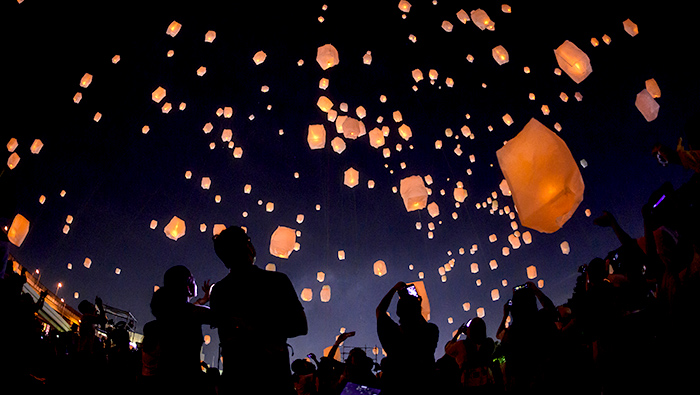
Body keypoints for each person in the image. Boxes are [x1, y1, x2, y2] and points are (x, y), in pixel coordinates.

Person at [209, 226, 308, 395]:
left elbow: (226, 336)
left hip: (237, 382)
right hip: (274, 381)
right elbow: (300, 326)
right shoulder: (277, 282)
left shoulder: (220, 291)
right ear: (248, 247)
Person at [147, 265, 214, 394]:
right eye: (193, 280)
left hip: (165, 378)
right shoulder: (192, 313)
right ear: (187, 283)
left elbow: (186, 312)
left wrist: (203, 300)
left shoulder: (169, 312)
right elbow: (218, 315)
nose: (195, 283)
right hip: (187, 382)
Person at [376, 281, 439, 395]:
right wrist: (413, 303)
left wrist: (395, 289)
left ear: (398, 312)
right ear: (418, 311)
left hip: (395, 387)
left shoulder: (392, 334)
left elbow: (380, 311)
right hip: (424, 387)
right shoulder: (431, 331)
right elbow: (421, 323)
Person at [496, 281, 559, 392]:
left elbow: (498, 334)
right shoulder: (541, 320)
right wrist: (536, 290)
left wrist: (505, 315)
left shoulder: (512, 332)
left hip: (522, 384)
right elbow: (552, 311)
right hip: (546, 378)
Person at [444, 316, 495, 393]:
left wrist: (458, 333)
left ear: (470, 330)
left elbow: (448, 349)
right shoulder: (489, 343)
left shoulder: (461, 345)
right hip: (486, 382)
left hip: (468, 384)